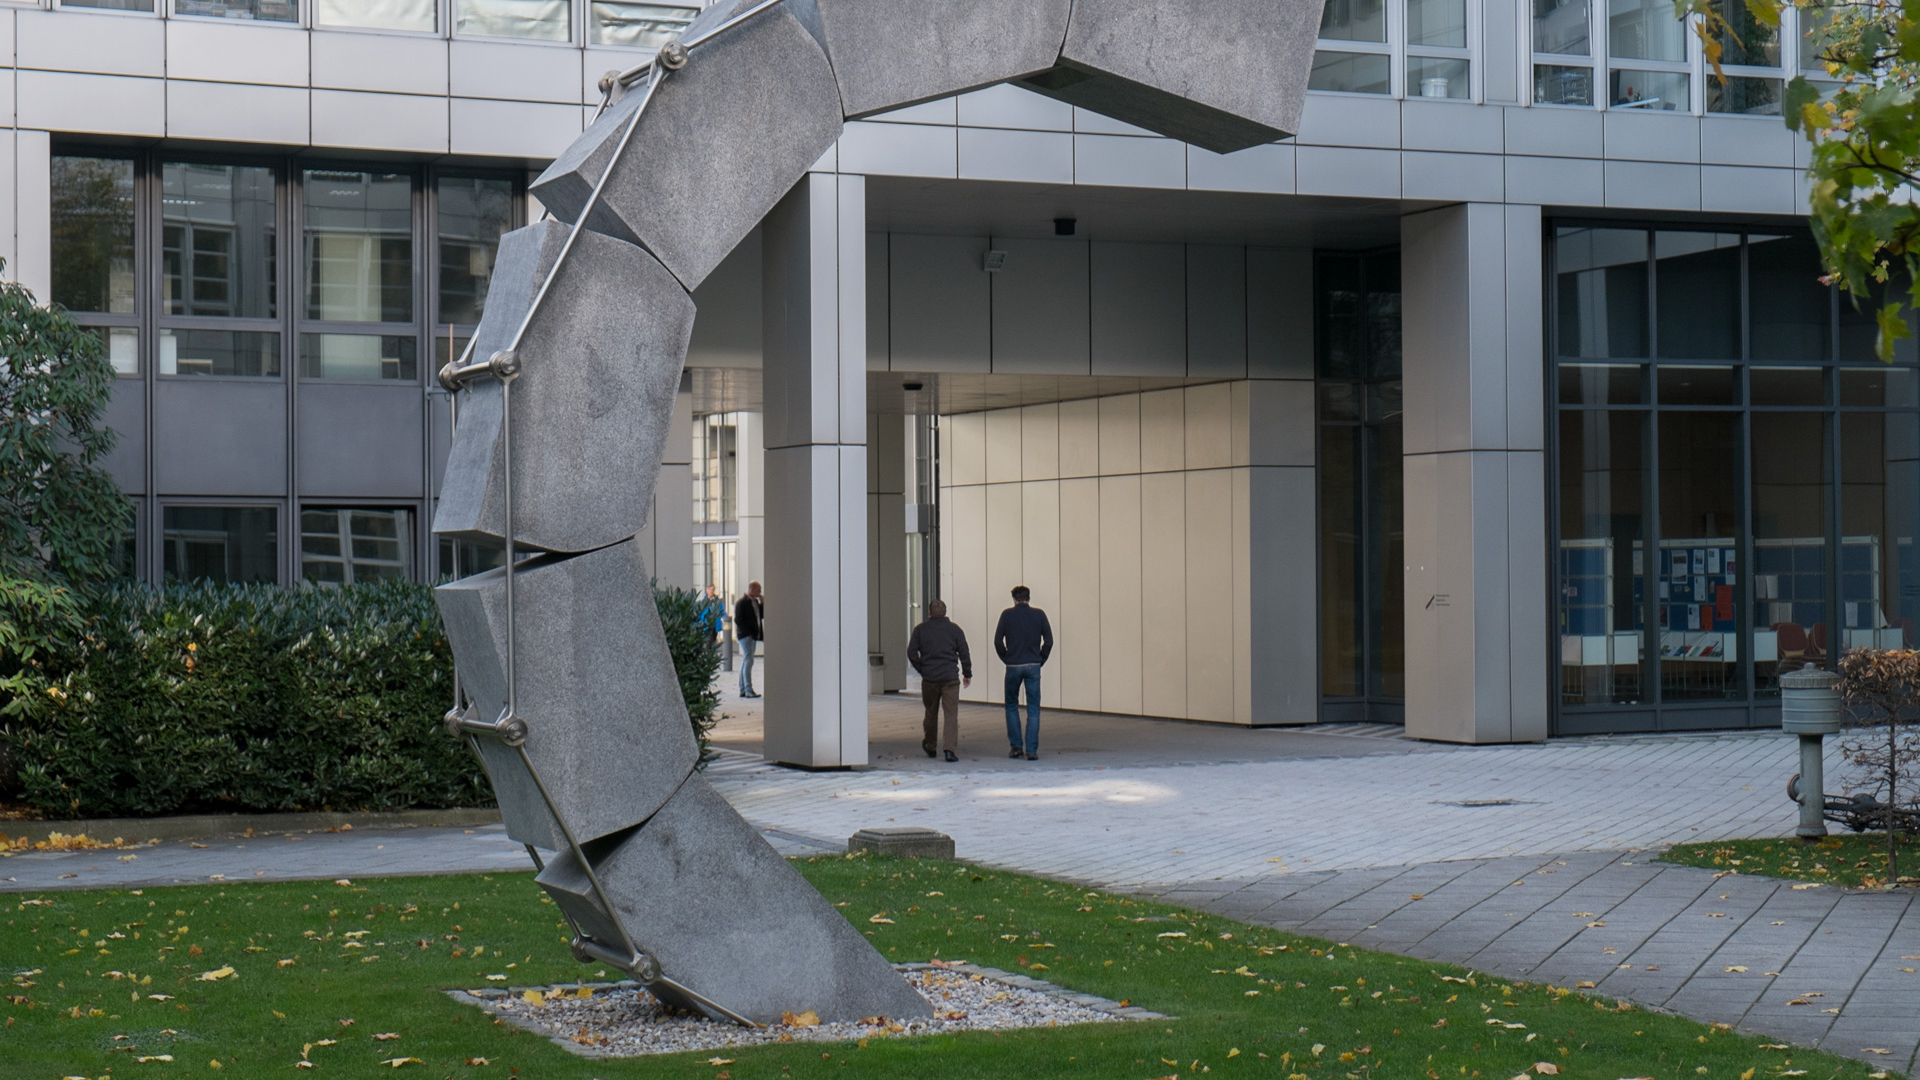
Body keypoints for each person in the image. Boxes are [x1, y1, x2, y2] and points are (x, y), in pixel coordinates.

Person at [906, 599, 971, 762]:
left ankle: (931, 745)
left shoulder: (920, 630)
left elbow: (911, 652)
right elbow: (964, 652)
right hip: (950, 679)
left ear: (929, 612)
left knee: (930, 713)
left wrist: (922, 669)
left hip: (930, 679)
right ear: (945, 612)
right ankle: (949, 750)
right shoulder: (955, 630)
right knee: (951, 714)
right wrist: (967, 673)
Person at [994, 585, 1053, 760]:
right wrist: (1040, 659)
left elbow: (998, 641)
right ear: (1029, 598)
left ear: (1014, 599)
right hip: (1033, 664)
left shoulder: (1006, 615)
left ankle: (1016, 747)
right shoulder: (1039, 615)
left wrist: (1006, 658)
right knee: (1033, 708)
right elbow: (1049, 641)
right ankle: (1032, 750)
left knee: (1011, 705)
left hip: (1013, 665)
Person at [734, 581, 764, 699]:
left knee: (746, 660)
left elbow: (760, 616)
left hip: (752, 635)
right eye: (758, 590)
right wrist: (747, 633)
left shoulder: (754, 602)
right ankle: (748, 689)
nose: (760, 592)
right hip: (746, 636)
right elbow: (738, 620)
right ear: (752, 589)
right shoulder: (742, 602)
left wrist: (762, 603)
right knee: (748, 661)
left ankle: (743, 688)